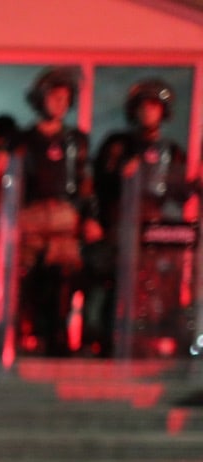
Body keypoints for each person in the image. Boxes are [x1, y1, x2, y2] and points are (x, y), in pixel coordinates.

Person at [92, 79, 193, 356]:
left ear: (163, 112)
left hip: (154, 227)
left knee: (153, 286)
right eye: (143, 107)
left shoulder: (171, 151)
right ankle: (108, 341)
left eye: (154, 107)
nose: (148, 112)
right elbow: (100, 182)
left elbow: (177, 193)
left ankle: (149, 340)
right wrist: (122, 173)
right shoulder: (118, 144)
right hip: (121, 224)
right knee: (118, 282)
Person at [14, 66, 100, 356]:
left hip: (65, 214)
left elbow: (86, 183)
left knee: (63, 274)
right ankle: (24, 334)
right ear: (40, 100)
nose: (59, 103)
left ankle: (58, 339)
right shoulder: (23, 140)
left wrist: (90, 218)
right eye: (54, 97)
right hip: (30, 215)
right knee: (26, 275)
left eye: (65, 99)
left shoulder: (77, 141)